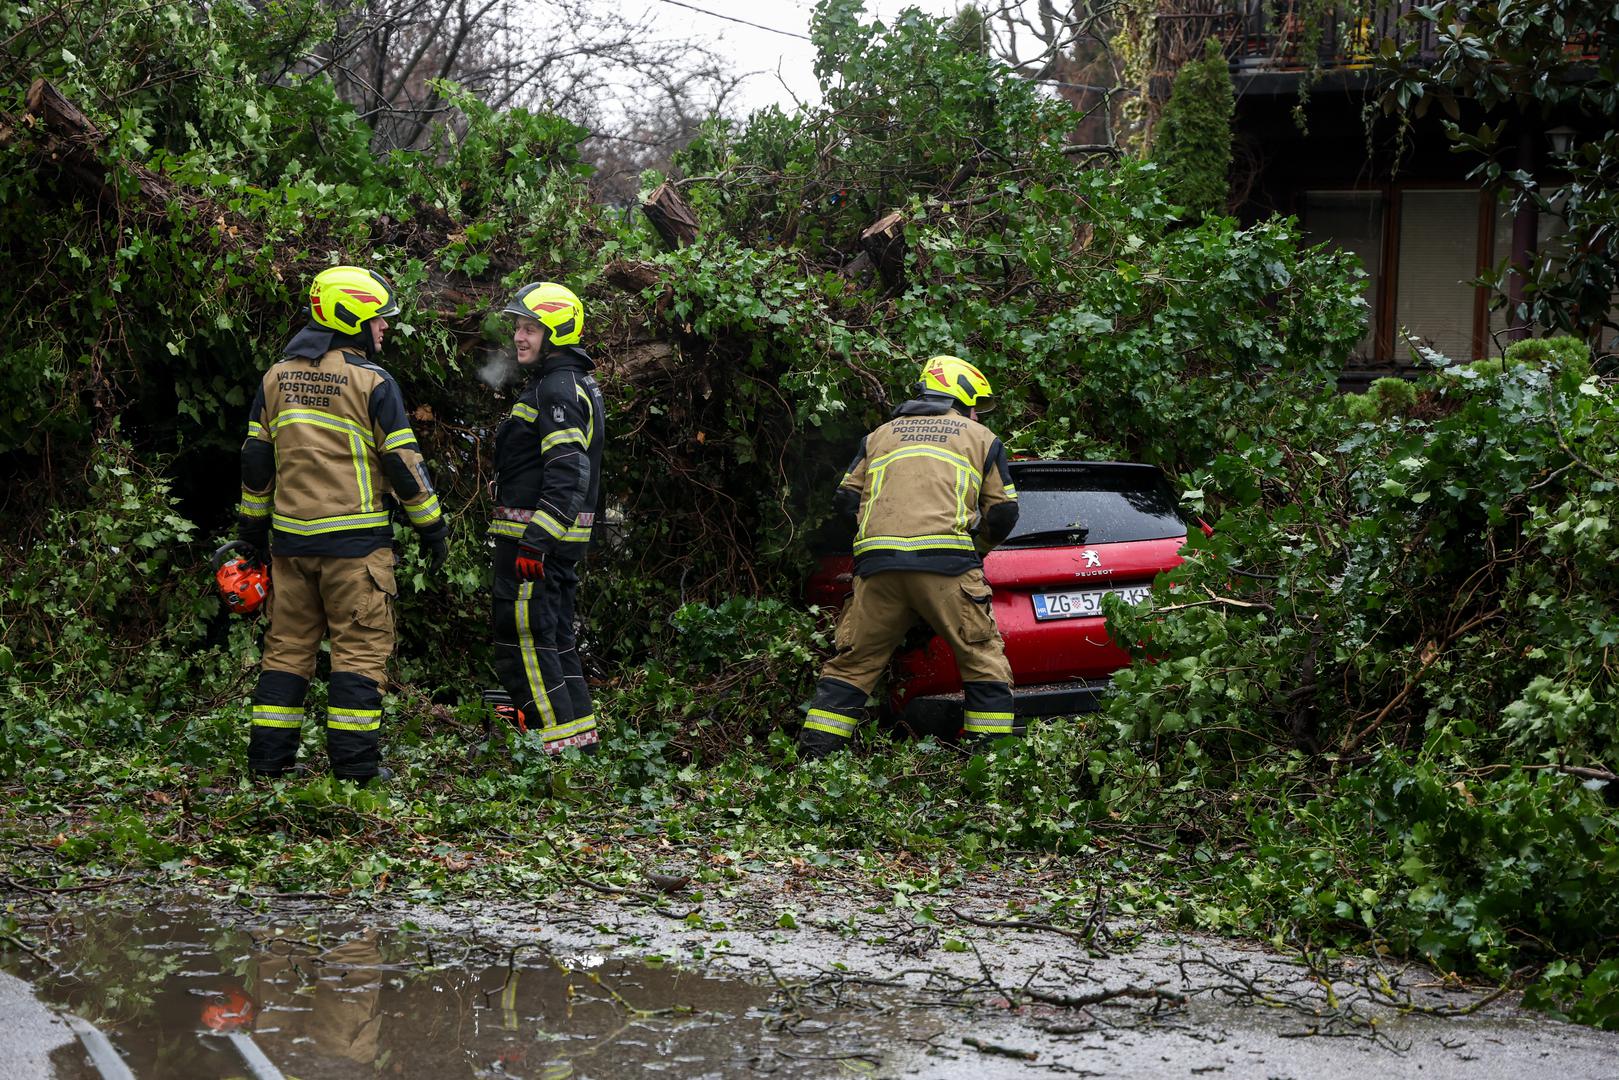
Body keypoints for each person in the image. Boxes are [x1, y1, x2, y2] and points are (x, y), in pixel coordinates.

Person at [238, 264, 448, 784]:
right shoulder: (372, 382)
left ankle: (268, 766)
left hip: (289, 549)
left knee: (286, 652)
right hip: (355, 553)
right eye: (378, 320)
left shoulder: (275, 378)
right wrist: (433, 527)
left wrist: (250, 535)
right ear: (352, 317)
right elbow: (403, 465)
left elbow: (256, 464)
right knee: (359, 654)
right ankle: (355, 774)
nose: (383, 329)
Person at [800, 355, 1020, 758]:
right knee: (982, 662)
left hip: (877, 569)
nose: (975, 412)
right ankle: (990, 769)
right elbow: (1003, 511)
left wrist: (879, 539)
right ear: (960, 394)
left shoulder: (879, 436)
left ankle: (815, 765)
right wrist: (977, 550)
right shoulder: (979, 437)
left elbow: (846, 499)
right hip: (947, 567)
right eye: (975, 402)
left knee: (851, 667)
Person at [488, 282, 606, 755]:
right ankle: (581, 748)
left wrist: (537, 539)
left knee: (527, 645)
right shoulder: (565, 384)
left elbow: (567, 469)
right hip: (546, 544)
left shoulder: (556, 389)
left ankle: (554, 757)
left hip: (532, 548)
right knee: (554, 643)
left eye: (530, 328)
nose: (519, 336)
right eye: (518, 326)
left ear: (556, 332)